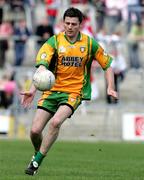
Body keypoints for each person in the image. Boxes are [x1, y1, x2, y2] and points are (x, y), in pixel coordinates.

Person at [20, 7, 118, 176]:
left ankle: (36, 162)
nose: (70, 27)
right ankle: (37, 153)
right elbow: (42, 67)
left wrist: (110, 87)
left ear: (80, 24)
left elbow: (107, 65)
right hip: (52, 91)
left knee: (55, 122)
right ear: (62, 23)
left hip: (74, 92)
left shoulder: (89, 43)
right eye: (67, 23)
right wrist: (33, 90)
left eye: (74, 24)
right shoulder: (54, 41)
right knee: (35, 131)